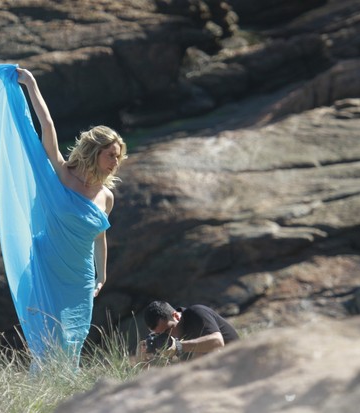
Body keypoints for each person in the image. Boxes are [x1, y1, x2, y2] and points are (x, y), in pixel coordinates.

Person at [15, 67, 127, 364]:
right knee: (46, 339)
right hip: (47, 267)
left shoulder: (107, 197)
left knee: (72, 341)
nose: (116, 161)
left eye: (118, 156)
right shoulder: (63, 174)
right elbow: (48, 126)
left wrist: (101, 276)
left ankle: (63, 394)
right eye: (111, 155)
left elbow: (99, 237)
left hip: (80, 278)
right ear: (94, 152)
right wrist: (31, 84)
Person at [141, 300, 240, 361]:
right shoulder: (171, 339)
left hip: (240, 360)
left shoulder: (197, 313)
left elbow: (217, 342)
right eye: (159, 335)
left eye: (168, 330)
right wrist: (146, 359)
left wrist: (178, 346)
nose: (166, 337)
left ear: (176, 316)